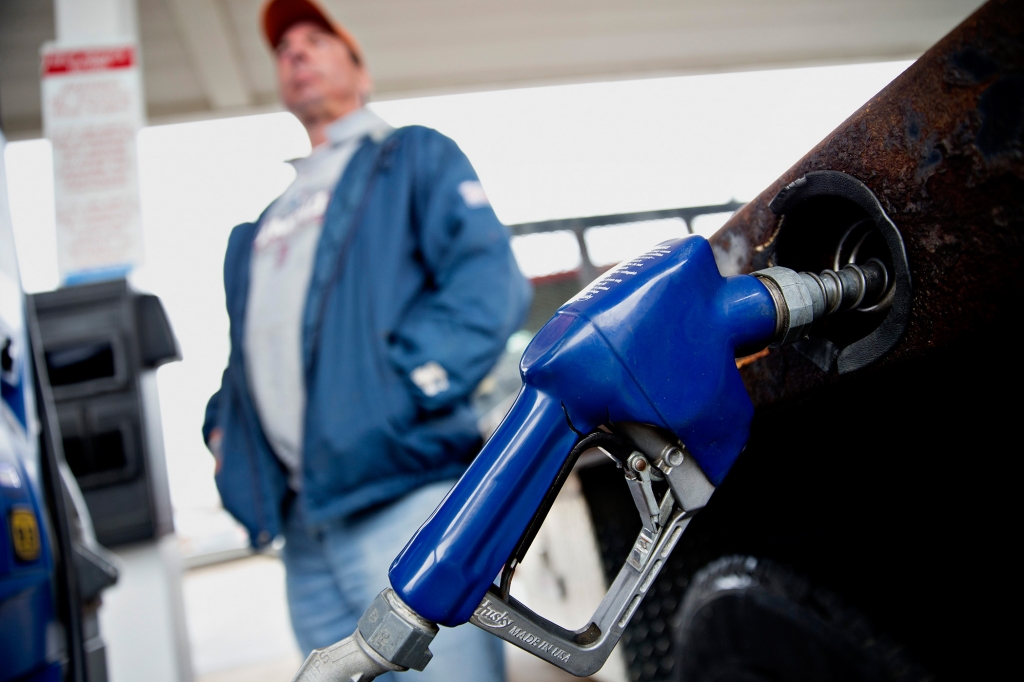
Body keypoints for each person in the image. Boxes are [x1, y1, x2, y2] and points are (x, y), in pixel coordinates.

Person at [202, 1, 531, 679]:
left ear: (360, 71)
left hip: (404, 498)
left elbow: (487, 285)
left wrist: (399, 389)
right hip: (304, 528)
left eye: (317, 40)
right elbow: (249, 361)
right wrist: (220, 430)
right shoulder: (262, 227)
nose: (295, 52)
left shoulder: (411, 158)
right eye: (284, 46)